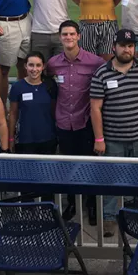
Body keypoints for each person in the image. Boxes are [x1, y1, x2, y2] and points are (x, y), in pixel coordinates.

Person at [90, 29, 138, 237]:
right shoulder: (102, 72)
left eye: (130, 46)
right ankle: (110, 217)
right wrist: (99, 139)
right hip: (112, 140)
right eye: (122, 45)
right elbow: (95, 108)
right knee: (111, 178)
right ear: (114, 47)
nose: (127, 49)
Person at [46, 20, 105, 225]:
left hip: (85, 122)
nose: (69, 38)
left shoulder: (94, 62)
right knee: (68, 164)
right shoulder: (53, 63)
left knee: (90, 164)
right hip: (64, 122)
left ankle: (91, 203)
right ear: (60, 37)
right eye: (65, 34)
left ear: (79, 36)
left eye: (72, 34)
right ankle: (72, 202)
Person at [9, 51, 58, 154]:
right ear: (25, 66)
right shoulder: (17, 87)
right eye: (31, 65)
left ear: (43, 67)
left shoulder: (50, 86)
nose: (34, 69)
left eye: (38, 65)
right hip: (25, 140)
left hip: (48, 139)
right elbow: (13, 114)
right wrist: (11, 138)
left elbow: (54, 112)